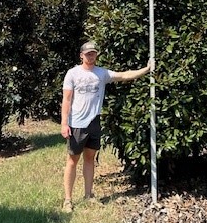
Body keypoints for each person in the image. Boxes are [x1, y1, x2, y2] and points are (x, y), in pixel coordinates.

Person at [60, 41, 150, 212]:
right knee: (72, 161)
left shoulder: (102, 73)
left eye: (93, 53)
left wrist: (146, 70)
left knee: (89, 159)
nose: (90, 56)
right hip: (77, 124)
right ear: (81, 56)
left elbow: (124, 76)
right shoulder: (72, 74)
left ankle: (88, 195)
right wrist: (64, 123)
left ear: (96, 55)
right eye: (87, 53)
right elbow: (66, 99)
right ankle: (68, 200)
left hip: (94, 122)